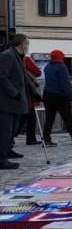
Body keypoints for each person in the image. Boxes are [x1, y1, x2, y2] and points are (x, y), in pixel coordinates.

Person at [41, 49, 72, 146]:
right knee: (68, 118)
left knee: (49, 119)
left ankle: (46, 140)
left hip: (48, 95)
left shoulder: (47, 67)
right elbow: (64, 85)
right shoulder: (61, 67)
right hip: (60, 96)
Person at [0, 35, 31, 169]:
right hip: (7, 102)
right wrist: (14, 93)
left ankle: (7, 151)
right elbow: (2, 76)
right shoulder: (8, 55)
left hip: (16, 102)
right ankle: (1, 159)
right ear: (21, 44)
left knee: (12, 130)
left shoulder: (18, 56)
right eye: (27, 44)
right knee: (5, 131)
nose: (27, 47)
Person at [19, 54, 42, 147]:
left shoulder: (18, 59)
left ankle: (30, 138)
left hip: (23, 92)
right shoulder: (26, 59)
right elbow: (38, 72)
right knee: (29, 117)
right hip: (28, 93)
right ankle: (30, 138)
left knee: (24, 117)